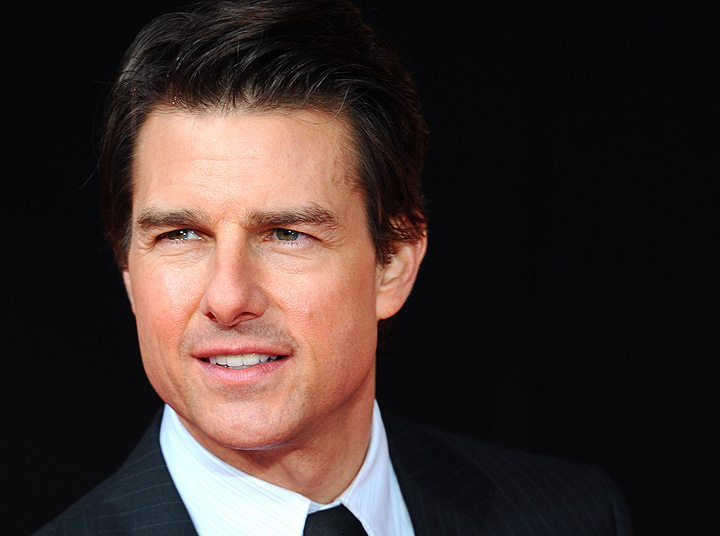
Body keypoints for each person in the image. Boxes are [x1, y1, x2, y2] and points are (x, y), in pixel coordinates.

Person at [34, 1, 632, 534]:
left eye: (287, 234)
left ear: (392, 263)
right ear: (128, 271)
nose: (228, 296)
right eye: (181, 235)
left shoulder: (572, 515)